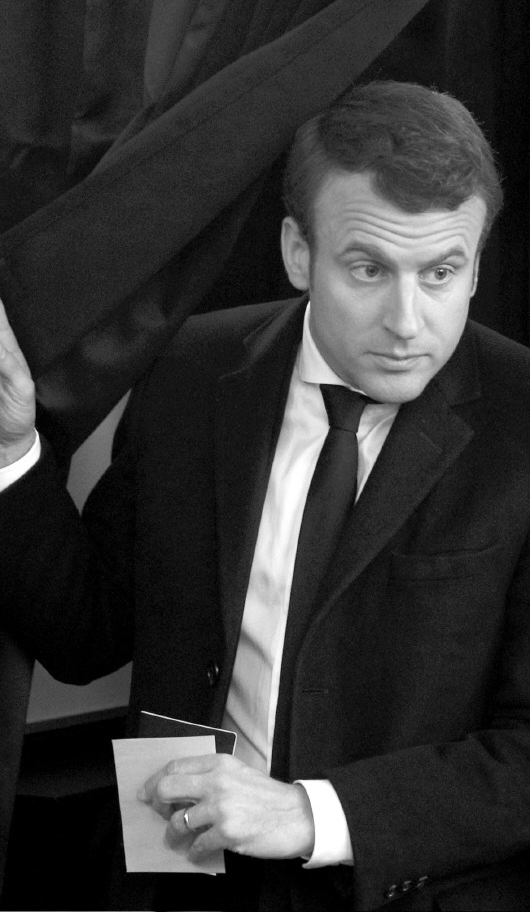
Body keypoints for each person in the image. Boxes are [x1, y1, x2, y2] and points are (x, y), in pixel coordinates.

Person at [1, 80, 530, 912]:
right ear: (297, 253)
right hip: (183, 880)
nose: (407, 321)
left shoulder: (520, 420)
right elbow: (87, 629)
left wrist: (309, 813)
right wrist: (12, 450)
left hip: (403, 890)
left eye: (441, 272)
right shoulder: (191, 370)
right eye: (368, 268)